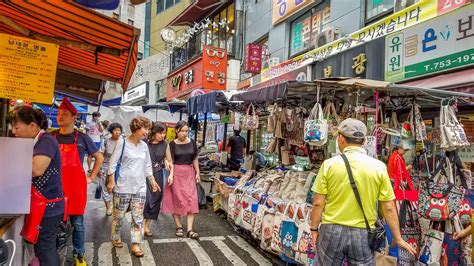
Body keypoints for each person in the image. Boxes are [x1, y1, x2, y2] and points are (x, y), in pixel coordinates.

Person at [310, 118, 416, 264]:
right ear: (364, 141)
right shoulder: (378, 167)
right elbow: (388, 207)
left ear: (341, 139)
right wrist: (398, 238)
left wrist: (314, 230)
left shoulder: (329, 165)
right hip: (364, 233)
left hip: (331, 230)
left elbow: (318, 203)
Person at [8, 106, 64, 265]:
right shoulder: (34, 142)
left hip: (48, 208)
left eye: (17, 127)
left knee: (45, 249)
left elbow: (36, 169)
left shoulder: (46, 140)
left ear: (32, 125)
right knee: (41, 248)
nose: (13, 131)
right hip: (39, 206)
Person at [55, 98, 104, 266]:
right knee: (53, 222)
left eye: (65, 114)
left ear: (74, 118)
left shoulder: (82, 137)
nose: (60, 117)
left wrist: (91, 177)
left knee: (78, 223)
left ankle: (79, 255)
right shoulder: (51, 136)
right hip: (54, 187)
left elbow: (99, 157)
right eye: (59, 113)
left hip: (76, 187)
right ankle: (53, 254)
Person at [106, 116, 160, 257]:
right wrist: (111, 181)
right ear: (136, 128)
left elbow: (148, 165)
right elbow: (112, 163)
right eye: (145, 128)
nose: (147, 132)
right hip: (123, 186)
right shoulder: (122, 143)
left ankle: (136, 244)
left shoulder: (144, 146)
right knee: (118, 216)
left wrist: (152, 181)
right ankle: (115, 236)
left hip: (140, 187)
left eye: (148, 129)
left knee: (137, 217)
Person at [162, 121, 201, 239]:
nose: (184, 133)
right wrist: (169, 172)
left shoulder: (192, 143)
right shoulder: (172, 144)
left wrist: (198, 172)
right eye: (182, 131)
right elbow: (169, 160)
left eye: (186, 131)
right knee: (177, 199)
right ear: (177, 131)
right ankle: (178, 226)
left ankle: (189, 229)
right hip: (176, 174)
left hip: (189, 173)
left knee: (192, 200)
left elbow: (195, 158)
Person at [143, 122, 174, 237]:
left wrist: (169, 168)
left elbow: (169, 160)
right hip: (143, 174)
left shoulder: (165, 144)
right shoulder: (144, 143)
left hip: (158, 173)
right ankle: (140, 223)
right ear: (154, 132)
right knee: (145, 199)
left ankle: (147, 225)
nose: (163, 135)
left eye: (164, 133)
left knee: (155, 199)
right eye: (160, 133)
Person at [99, 122, 123, 216]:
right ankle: (108, 207)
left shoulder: (123, 142)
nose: (117, 132)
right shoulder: (105, 141)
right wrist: (99, 169)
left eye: (119, 130)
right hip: (106, 167)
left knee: (117, 188)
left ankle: (114, 205)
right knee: (105, 188)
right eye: (115, 130)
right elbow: (101, 155)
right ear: (111, 131)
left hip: (119, 168)